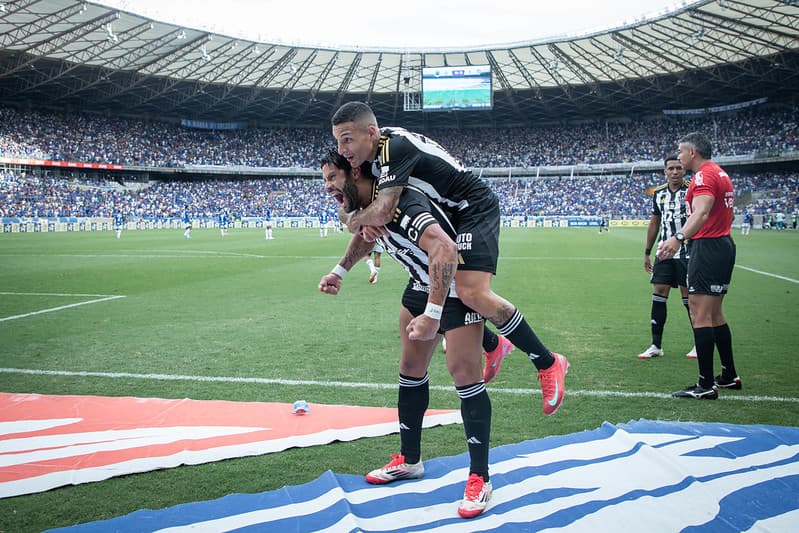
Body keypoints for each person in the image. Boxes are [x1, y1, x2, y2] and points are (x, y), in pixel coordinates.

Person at [330, 101, 568, 415]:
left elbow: (384, 209)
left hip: (471, 207)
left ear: (371, 133)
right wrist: (359, 225)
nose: (341, 147)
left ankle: (548, 362)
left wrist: (356, 219)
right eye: (337, 140)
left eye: (347, 139)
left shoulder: (393, 147)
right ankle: (495, 345)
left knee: (471, 291)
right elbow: (364, 205)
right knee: (448, 286)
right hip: (449, 214)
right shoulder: (374, 160)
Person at [317, 151, 493, 518]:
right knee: (410, 369)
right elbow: (369, 238)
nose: (327, 187)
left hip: (452, 286)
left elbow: (445, 248)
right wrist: (340, 270)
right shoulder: (371, 207)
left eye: (332, 177)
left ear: (354, 172)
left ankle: (480, 477)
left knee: (464, 375)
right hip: (419, 283)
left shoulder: (398, 203)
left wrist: (433, 314)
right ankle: (410, 460)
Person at [658, 132, 741, 400]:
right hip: (723, 245)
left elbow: (702, 212)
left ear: (692, 152)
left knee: (700, 314)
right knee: (715, 314)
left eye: (681, 151)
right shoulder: (720, 173)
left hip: (708, 247)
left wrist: (678, 237)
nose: (679, 157)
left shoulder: (704, 176)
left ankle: (705, 385)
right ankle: (728, 375)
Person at [638, 154, 696, 360]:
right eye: (670, 168)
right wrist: (647, 251)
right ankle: (656, 345)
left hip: (688, 250)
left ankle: (698, 343)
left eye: (678, 168)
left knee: (689, 295)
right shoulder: (658, 193)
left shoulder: (692, 189)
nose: (674, 172)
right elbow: (654, 223)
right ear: (665, 171)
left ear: (684, 170)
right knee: (659, 292)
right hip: (664, 251)